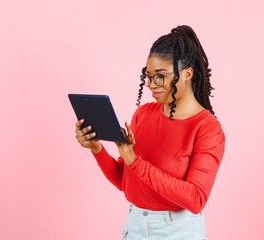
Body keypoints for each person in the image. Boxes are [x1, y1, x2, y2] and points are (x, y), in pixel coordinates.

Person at [74, 25, 225, 240]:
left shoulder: (207, 128)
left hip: (178, 232)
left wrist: (136, 162)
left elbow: (196, 199)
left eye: (160, 76)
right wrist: (96, 148)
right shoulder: (143, 114)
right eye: (149, 76)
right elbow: (126, 182)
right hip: (135, 227)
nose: (152, 85)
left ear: (187, 74)